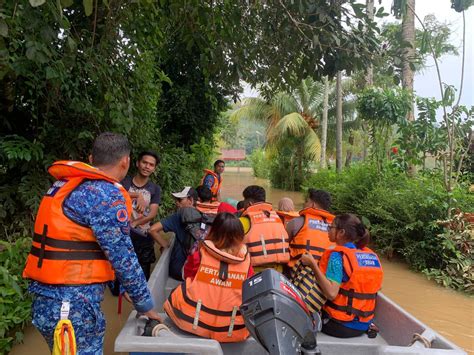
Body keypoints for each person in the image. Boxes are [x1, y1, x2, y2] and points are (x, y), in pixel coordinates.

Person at [22, 132, 161, 353]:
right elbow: (122, 257)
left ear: (90, 158)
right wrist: (144, 304)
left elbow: (85, 242)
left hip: (46, 303)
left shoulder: (64, 185)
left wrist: (124, 286)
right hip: (73, 306)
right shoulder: (105, 194)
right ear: (125, 162)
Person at [164, 213, 252, 342]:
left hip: (191, 322)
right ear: (240, 236)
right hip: (232, 329)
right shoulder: (246, 261)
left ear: (213, 231)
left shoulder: (199, 254)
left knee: (180, 289)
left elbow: (186, 275)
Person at [301, 214, 383, 338]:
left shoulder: (337, 257)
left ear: (341, 232)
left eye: (331, 227)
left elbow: (331, 293)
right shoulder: (368, 255)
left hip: (339, 326)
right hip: (364, 325)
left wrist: (313, 264)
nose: (328, 230)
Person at [121, 150, 167, 280]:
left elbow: (152, 213)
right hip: (123, 234)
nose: (147, 166)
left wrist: (135, 223)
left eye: (151, 165)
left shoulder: (155, 189)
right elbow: (116, 194)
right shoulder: (125, 182)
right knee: (119, 280)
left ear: (154, 168)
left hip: (143, 235)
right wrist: (137, 195)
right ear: (137, 163)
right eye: (144, 162)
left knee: (143, 277)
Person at [149, 186, 199, 281]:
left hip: (178, 272)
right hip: (195, 273)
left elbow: (152, 229)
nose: (176, 203)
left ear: (190, 200)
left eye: (180, 200)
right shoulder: (204, 216)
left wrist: (165, 245)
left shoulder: (178, 216)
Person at [239, 185, 289, 272]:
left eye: (244, 201)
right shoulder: (278, 219)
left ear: (249, 203)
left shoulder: (243, 221)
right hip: (278, 271)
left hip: (253, 272)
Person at [286, 189, 335, 268]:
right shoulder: (335, 228)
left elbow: (283, 246)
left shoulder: (296, 222)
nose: (304, 204)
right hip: (323, 273)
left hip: (297, 271)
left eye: (306, 201)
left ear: (313, 205)